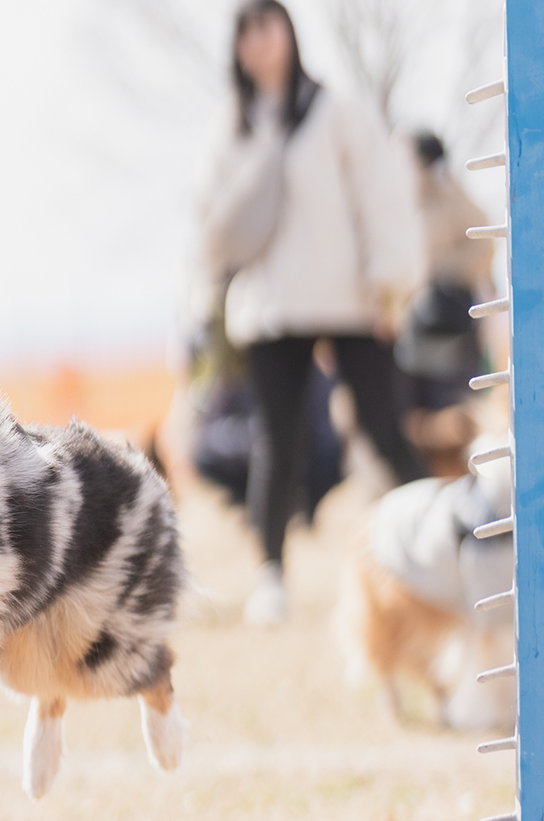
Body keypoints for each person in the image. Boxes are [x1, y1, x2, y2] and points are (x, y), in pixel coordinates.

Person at [201, 0, 427, 626]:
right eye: (245, 30)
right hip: (270, 306)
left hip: (351, 297)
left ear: (289, 32)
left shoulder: (338, 112)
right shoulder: (233, 125)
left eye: (266, 25)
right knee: (276, 440)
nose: (258, 41)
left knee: (384, 428)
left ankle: (433, 547)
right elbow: (210, 222)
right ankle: (270, 573)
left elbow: (380, 197)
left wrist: (390, 287)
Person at [396, 132, 493, 477]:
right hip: (407, 330)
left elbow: (484, 245)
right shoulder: (396, 202)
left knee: (450, 414)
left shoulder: (453, 199)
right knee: (410, 419)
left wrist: (442, 275)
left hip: (448, 329)